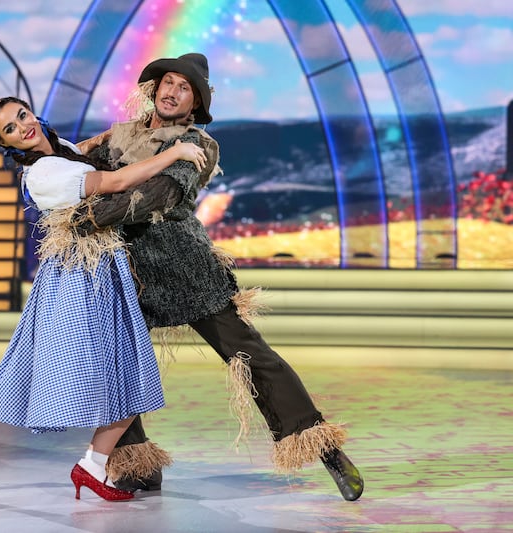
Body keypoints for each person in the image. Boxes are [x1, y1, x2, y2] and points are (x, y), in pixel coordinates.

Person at [74, 53, 364, 501]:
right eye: (168, 82)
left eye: (184, 87)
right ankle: (134, 463)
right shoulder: (118, 137)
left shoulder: (197, 145)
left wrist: (84, 215)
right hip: (127, 271)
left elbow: (157, 196)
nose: (172, 91)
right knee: (115, 366)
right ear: (155, 88)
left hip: (186, 267)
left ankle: (321, 445)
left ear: (195, 103)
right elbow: (70, 167)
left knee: (249, 353)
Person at [0, 96, 208, 502]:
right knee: (28, 370)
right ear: (8, 145)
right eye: (11, 129)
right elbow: (114, 183)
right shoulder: (43, 174)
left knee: (132, 371)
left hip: (103, 271)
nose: (23, 126)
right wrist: (177, 152)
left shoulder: (57, 150)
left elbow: (82, 149)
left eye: (22, 115)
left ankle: (91, 466)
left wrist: (116, 133)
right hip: (74, 279)